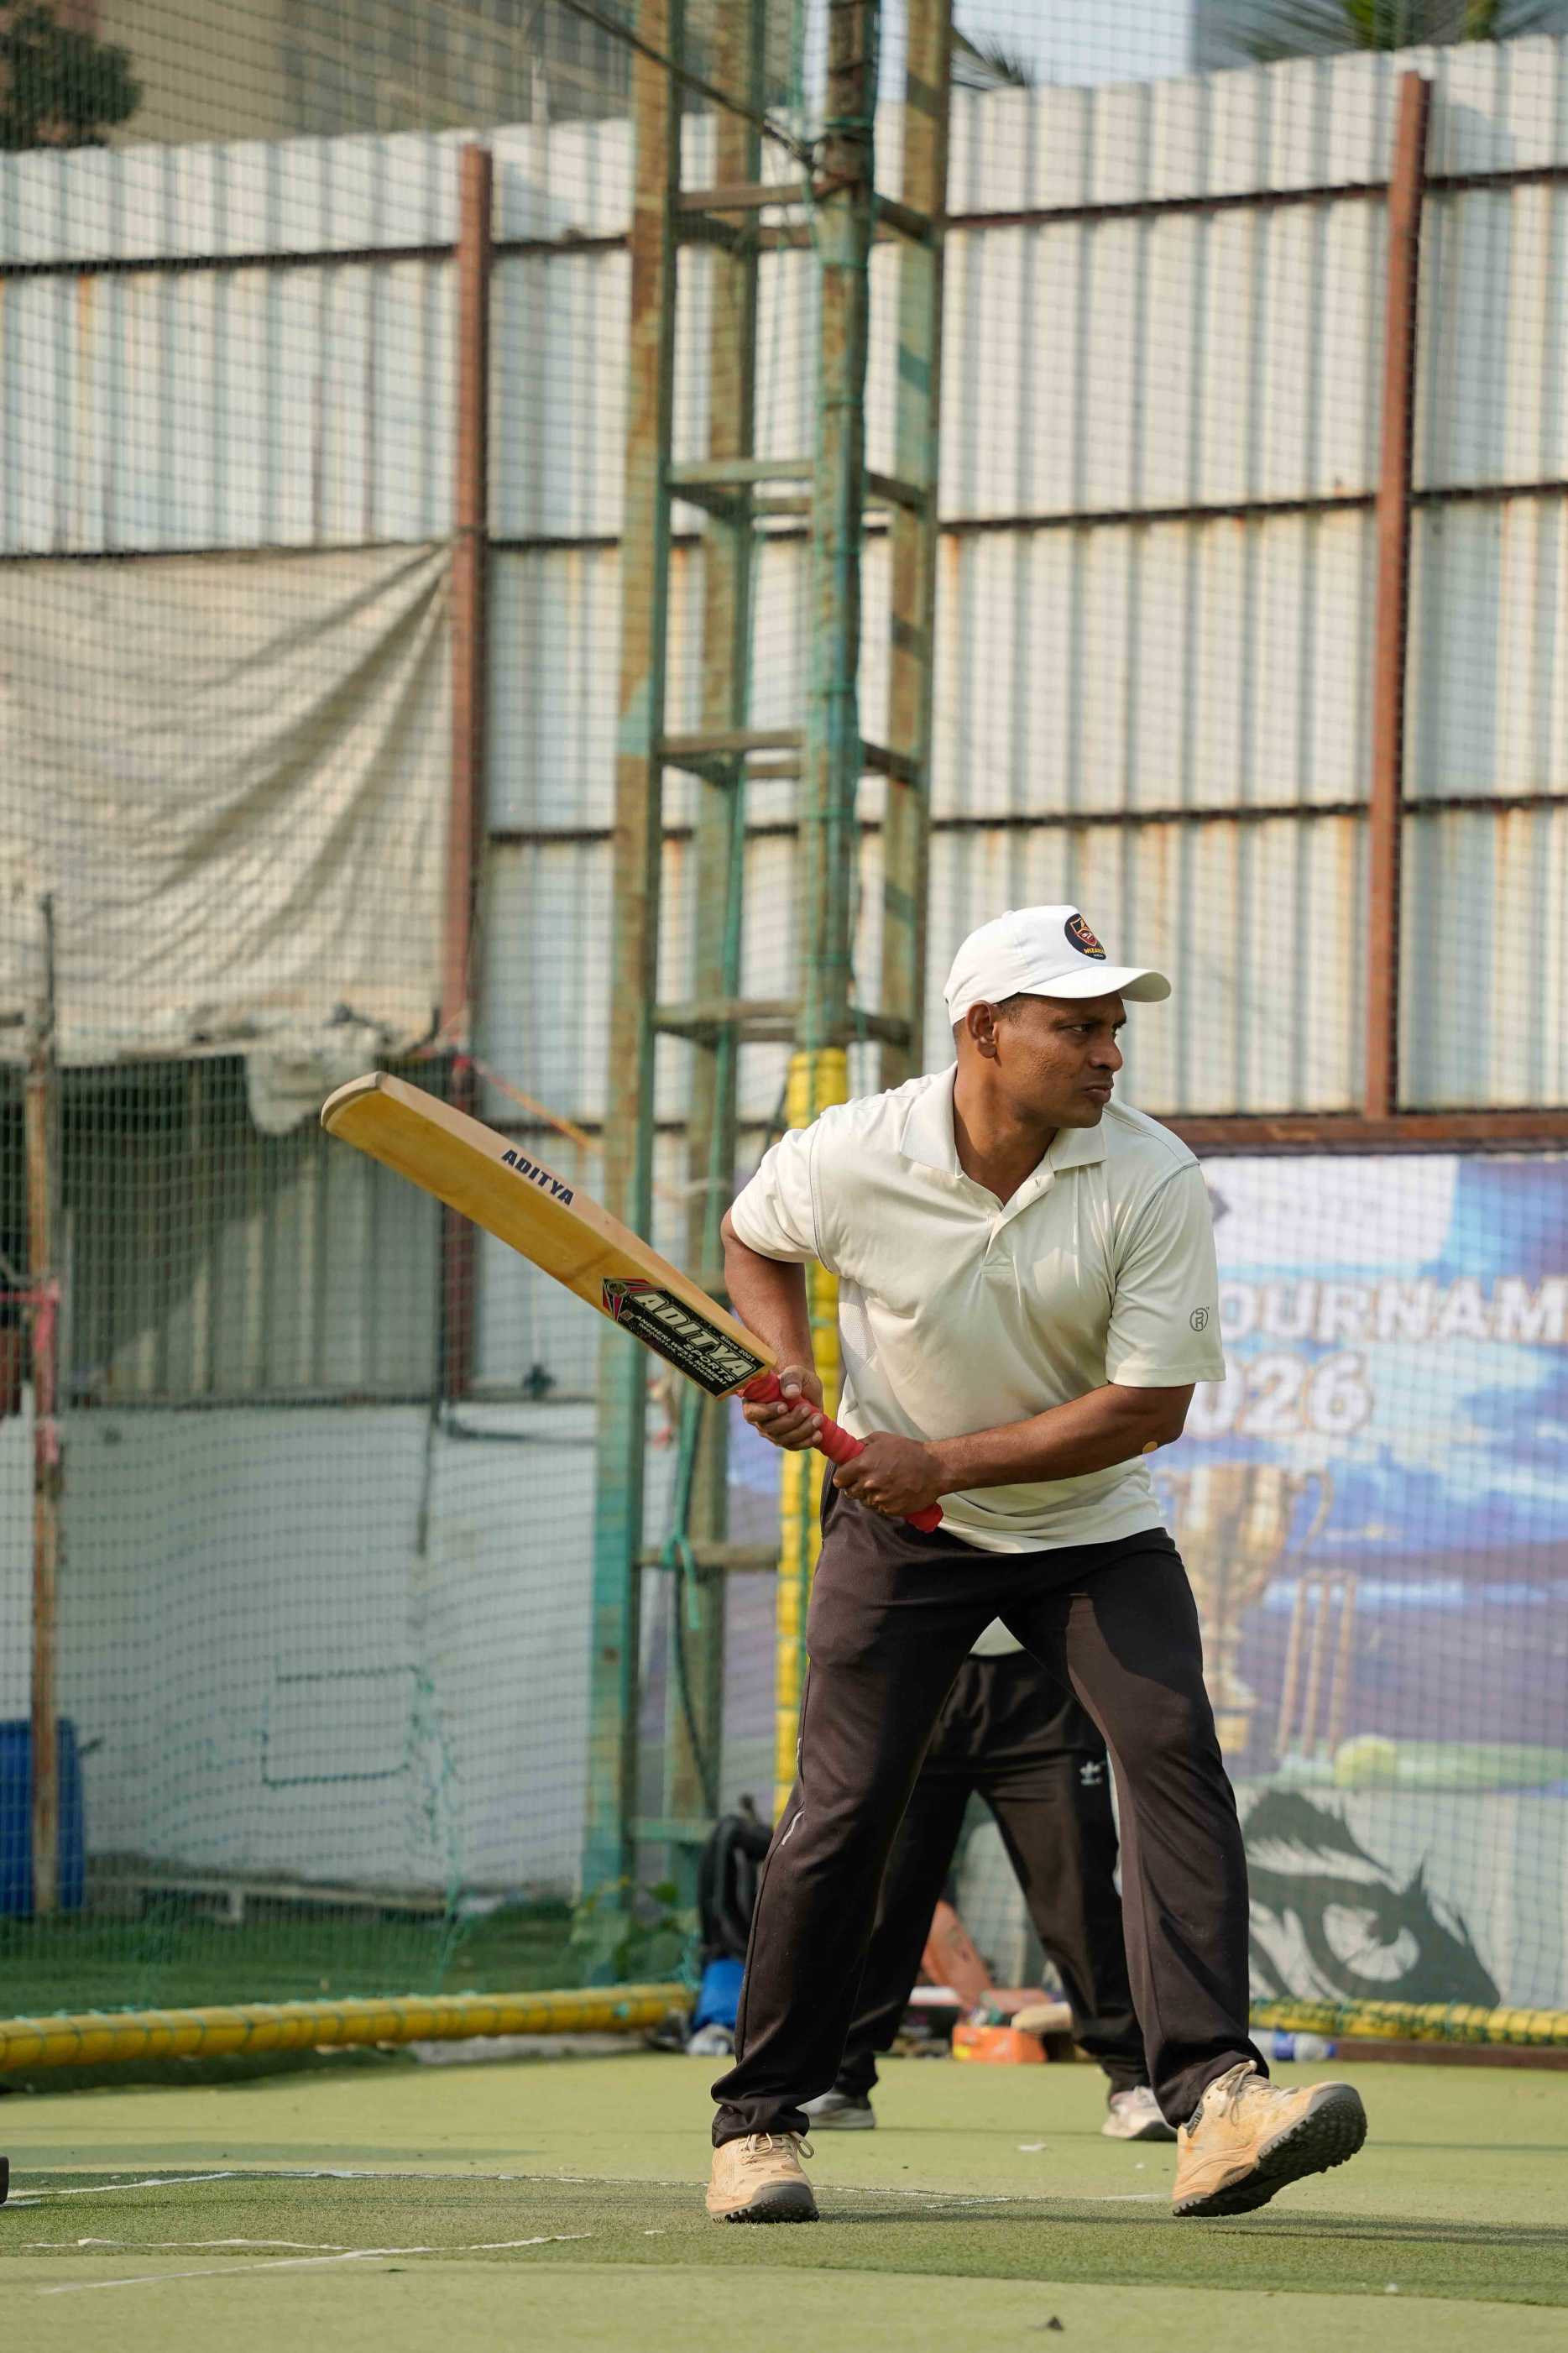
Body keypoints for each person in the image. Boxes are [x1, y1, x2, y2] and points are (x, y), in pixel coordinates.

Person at [704, 905, 1367, 2225]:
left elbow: (1147, 1408)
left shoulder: (1153, 1176)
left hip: (1089, 1524)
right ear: (982, 1031)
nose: (1109, 1051)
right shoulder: (854, 1151)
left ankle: (1217, 2097)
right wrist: (787, 1366)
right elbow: (755, 1239)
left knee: (1173, 1749)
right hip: (899, 1537)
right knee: (839, 1809)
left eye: (1115, 1025)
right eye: (1077, 1025)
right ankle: (758, 2123)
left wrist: (940, 1462)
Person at [805, 1620, 1173, 2142]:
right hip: (916, 1672)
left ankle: (1134, 2082)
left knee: (1079, 1897)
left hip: (1044, 1684)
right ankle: (841, 2079)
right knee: (884, 1892)